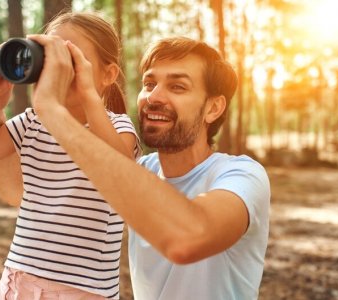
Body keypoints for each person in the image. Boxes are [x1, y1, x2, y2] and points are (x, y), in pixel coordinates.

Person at [21, 36, 271, 300]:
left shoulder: (242, 176)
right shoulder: (140, 171)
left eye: (177, 87)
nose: (154, 97)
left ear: (213, 108)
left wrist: (52, 111)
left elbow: (188, 238)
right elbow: (19, 192)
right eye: (149, 84)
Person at [0, 12, 141, 300]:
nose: (57, 69)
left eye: (69, 59)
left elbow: (119, 169)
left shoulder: (119, 127)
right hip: (18, 281)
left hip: (83, 291)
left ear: (107, 74)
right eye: (48, 58)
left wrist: (86, 93)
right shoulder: (33, 122)